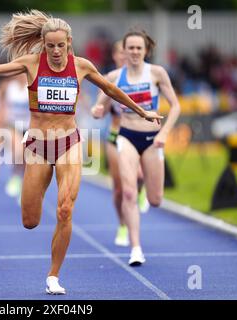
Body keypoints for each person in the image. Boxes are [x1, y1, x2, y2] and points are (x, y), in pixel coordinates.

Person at [0, 10, 161, 294]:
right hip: (37, 147)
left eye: (60, 45)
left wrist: (141, 111)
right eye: (50, 46)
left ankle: (53, 276)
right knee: (30, 221)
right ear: (43, 43)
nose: (55, 51)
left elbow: (111, 89)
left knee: (65, 210)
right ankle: (40, 236)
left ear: (69, 43)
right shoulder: (31, 63)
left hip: (69, 144)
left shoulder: (82, 66)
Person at [91, 30, 181, 266]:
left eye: (138, 48)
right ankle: (136, 249)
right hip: (126, 136)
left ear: (145, 50)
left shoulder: (157, 73)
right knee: (128, 193)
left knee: (156, 200)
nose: (133, 52)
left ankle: (146, 195)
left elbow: (176, 107)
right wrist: (97, 110)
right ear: (124, 51)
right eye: (129, 48)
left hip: (153, 140)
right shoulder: (114, 76)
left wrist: (164, 134)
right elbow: (98, 105)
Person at [92, 40, 149, 248]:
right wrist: (98, 111)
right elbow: (100, 108)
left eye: (128, 52)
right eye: (120, 53)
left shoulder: (143, 76)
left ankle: (140, 190)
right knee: (118, 190)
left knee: (140, 176)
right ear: (115, 56)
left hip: (139, 134)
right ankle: (122, 224)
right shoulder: (110, 79)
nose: (125, 56)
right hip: (116, 135)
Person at [1, 73, 30, 202]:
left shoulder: (32, 88)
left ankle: (24, 186)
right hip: (13, 125)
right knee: (18, 152)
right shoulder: (9, 87)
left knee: (26, 159)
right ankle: (15, 177)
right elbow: (3, 104)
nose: (21, 76)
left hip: (29, 127)